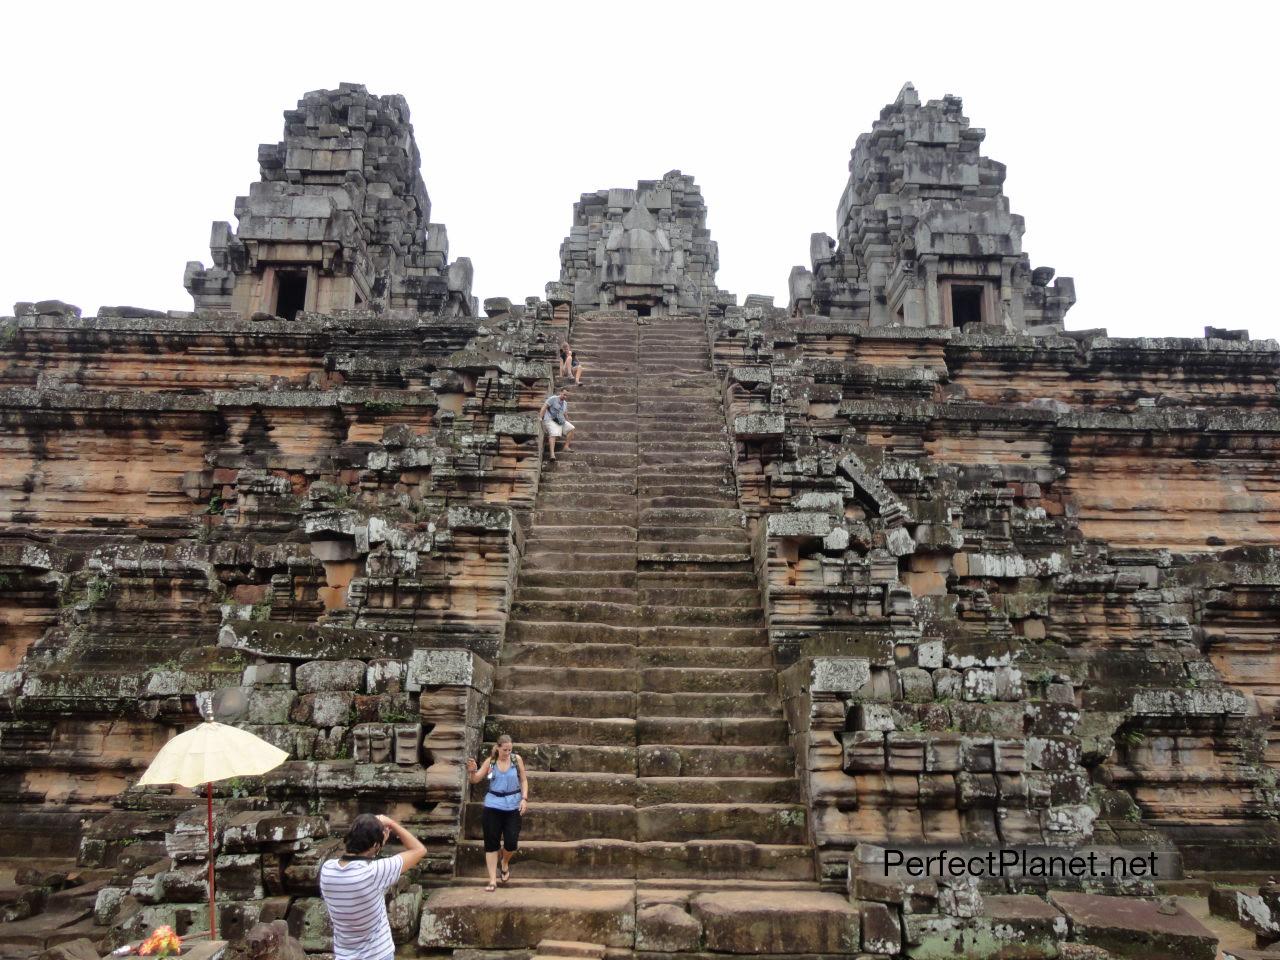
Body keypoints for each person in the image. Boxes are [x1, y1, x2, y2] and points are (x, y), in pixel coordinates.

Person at [319, 813, 426, 960]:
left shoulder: (327, 870)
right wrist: (392, 824)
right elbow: (419, 850)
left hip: (344, 955)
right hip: (378, 954)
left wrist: (378, 842)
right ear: (375, 845)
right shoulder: (374, 873)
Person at [466, 734, 527, 892]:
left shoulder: (516, 760)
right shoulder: (491, 762)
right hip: (493, 805)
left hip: (513, 805)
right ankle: (492, 879)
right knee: (491, 843)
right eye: (505, 750)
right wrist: (472, 771)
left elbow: (524, 780)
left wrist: (524, 798)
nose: (508, 753)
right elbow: (475, 779)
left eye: (510, 749)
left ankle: (505, 862)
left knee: (511, 842)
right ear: (498, 748)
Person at [538, 387, 575, 461]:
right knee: (554, 433)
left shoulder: (565, 403)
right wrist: (540, 418)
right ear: (560, 393)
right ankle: (552, 454)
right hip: (550, 419)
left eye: (566, 395)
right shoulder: (553, 399)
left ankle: (566, 447)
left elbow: (565, 413)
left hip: (559, 420)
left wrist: (568, 421)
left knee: (571, 428)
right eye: (564, 394)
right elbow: (544, 407)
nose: (565, 397)